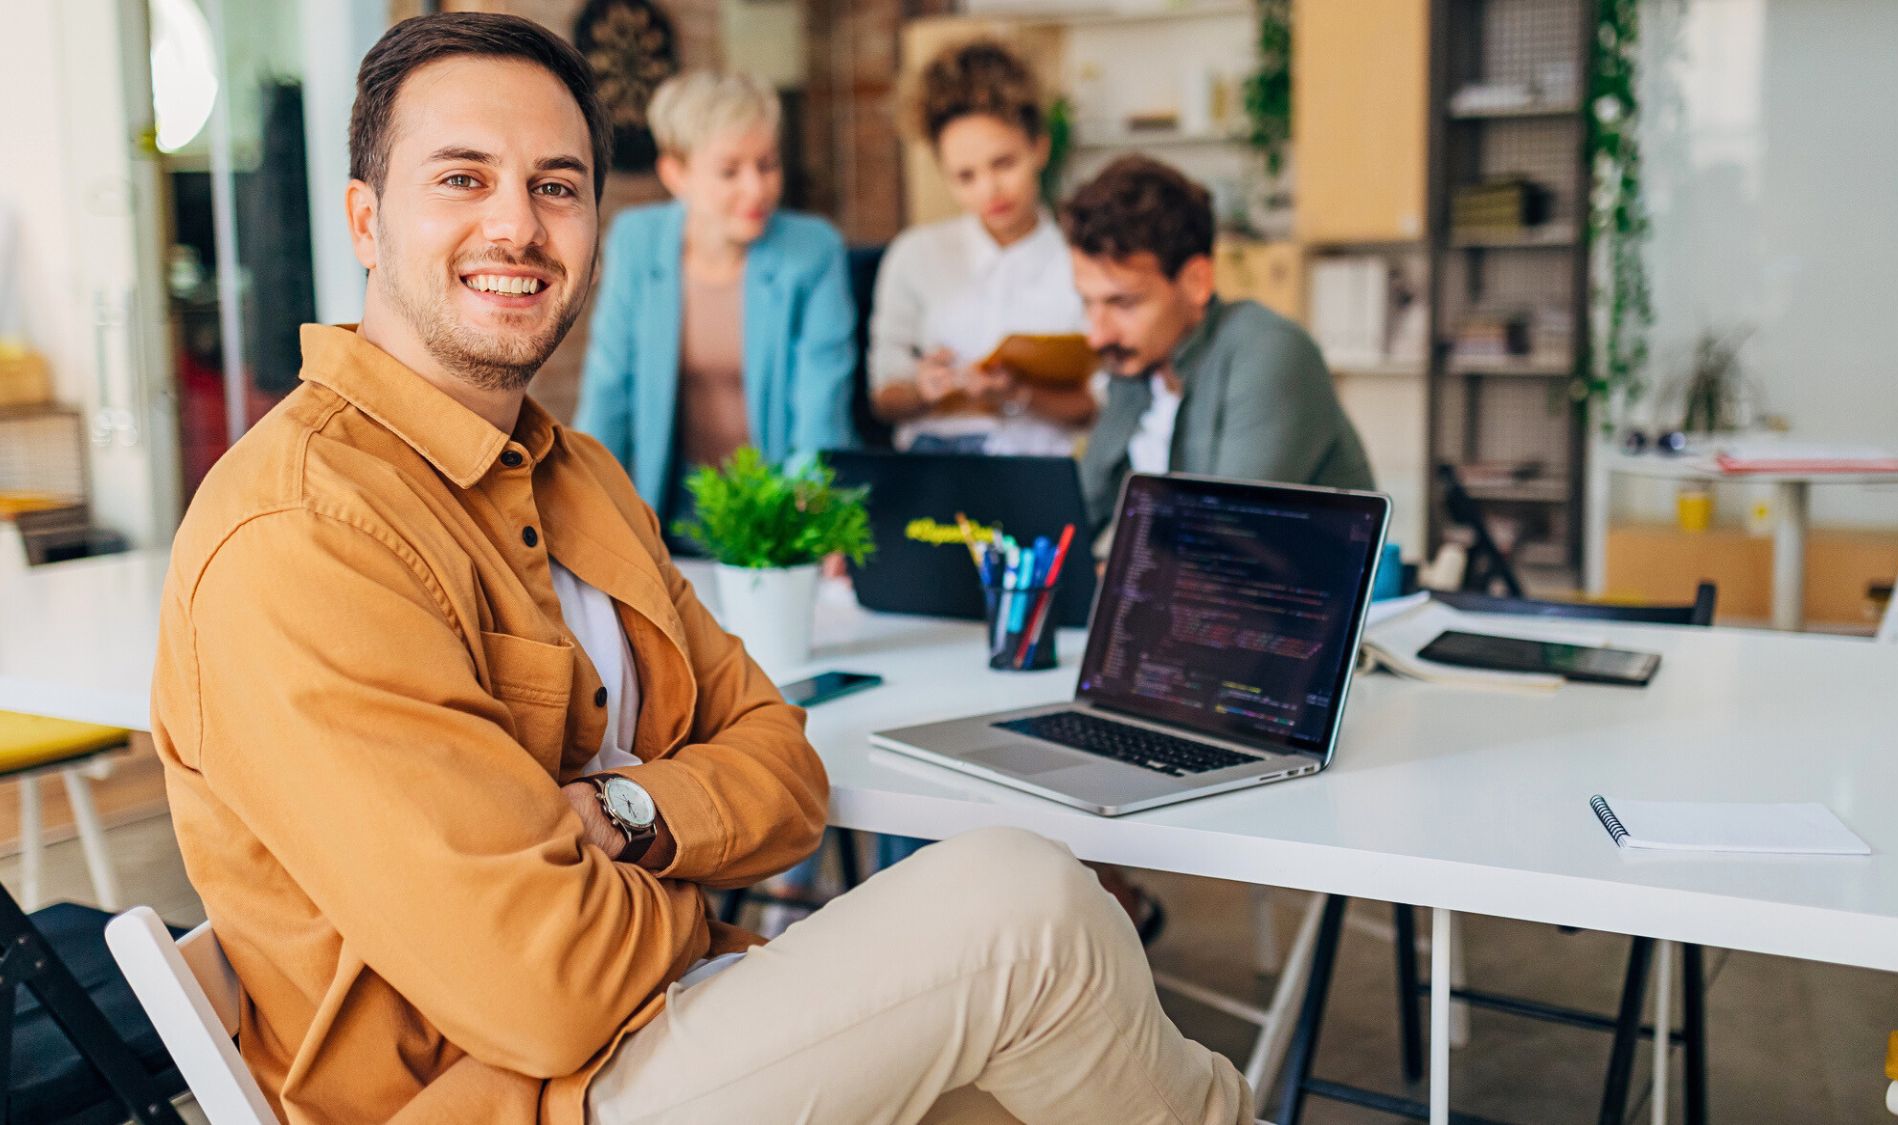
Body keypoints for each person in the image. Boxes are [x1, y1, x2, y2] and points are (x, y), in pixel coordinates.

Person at [150, 15, 1253, 1123]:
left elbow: (785, 767)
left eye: (556, 186)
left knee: (1037, 1055)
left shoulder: (580, 477)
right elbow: (547, 988)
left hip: (677, 1022)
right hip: (519, 1096)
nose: (517, 225)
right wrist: (686, 868)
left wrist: (619, 813)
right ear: (365, 219)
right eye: (462, 178)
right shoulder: (302, 534)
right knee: (1026, 910)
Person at [574, 70, 855, 533]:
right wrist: (586, 514)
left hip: (778, 511)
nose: (756, 189)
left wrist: (806, 524)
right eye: (729, 171)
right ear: (676, 174)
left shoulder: (813, 251)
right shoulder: (637, 241)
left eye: (767, 165)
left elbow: (820, 406)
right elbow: (609, 389)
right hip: (667, 512)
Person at [1064, 155, 1376, 531]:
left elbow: (1225, 537)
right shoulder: (1137, 363)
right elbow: (1073, 520)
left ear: (1196, 281)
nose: (1097, 335)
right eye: (1088, 302)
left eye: (1124, 303)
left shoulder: (1269, 353)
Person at [868, 39, 1097, 455]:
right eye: (965, 177)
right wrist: (924, 390)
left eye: (1003, 163)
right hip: (935, 467)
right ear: (944, 174)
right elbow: (885, 397)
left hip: (1037, 468)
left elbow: (1096, 407)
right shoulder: (915, 256)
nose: (990, 190)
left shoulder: (1082, 261)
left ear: (1039, 147)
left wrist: (1018, 393)